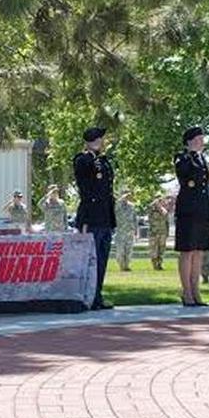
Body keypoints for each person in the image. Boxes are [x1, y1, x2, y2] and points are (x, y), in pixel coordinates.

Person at [73, 126, 117, 310]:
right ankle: (87, 296)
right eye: (100, 139)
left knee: (102, 258)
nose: (103, 142)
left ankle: (97, 295)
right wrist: (93, 156)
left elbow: (107, 191)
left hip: (105, 216)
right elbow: (87, 187)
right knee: (90, 259)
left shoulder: (103, 161)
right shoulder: (83, 160)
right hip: (91, 217)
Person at [173, 126, 209, 306]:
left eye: (202, 139)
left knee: (199, 251)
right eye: (199, 139)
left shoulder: (201, 159)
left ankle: (196, 290)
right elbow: (184, 174)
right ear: (190, 141)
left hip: (202, 208)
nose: (202, 142)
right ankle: (186, 291)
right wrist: (192, 154)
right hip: (187, 209)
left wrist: (198, 156)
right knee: (187, 251)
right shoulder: (182, 158)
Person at [113, 190, 138, 271]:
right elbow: (117, 206)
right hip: (120, 231)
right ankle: (121, 265)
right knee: (120, 250)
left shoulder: (132, 206)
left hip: (129, 231)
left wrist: (136, 229)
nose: (127, 196)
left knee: (129, 250)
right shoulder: (117, 205)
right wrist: (123, 197)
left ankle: (126, 265)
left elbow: (135, 219)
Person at [147, 196, 171, 271]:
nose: (160, 201)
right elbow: (149, 209)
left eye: (161, 200)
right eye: (159, 200)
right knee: (154, 249)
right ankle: (155, 264)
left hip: (162, 232)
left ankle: (160, 264)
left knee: (162, 249)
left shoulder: (164, 210)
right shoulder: (152, 209)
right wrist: (155, 203)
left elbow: (167, 222)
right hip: (154, 232)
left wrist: (167, 232)